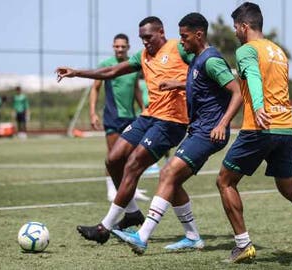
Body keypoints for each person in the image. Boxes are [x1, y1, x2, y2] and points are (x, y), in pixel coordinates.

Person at [214, 2, 292, 263]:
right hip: (284, 127)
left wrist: (258, 107)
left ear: (245, 26)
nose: (235, 32)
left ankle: (243, 245)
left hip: (259, 126)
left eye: (236, 27)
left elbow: (254, 78)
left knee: (225, 181)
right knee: (289, 186)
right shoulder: (279, 52)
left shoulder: (247, 49)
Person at [113, 12, 242, 254]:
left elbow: (237, 92)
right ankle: (193, 237)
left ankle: (142, 236)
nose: (180, 41)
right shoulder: (196, 59)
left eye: (184, 36)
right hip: (198, 130)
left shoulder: (211, 60)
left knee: (168, 174)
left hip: (209, 132)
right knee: (172, 181)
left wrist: (222, 123)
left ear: (198, 34)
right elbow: (201, 83)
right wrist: (177, 84)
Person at [56, 16, 193, 245]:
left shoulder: (180, 48)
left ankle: (104, 227)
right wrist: (77, 72)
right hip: (148, 116)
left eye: (148, 37)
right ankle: (131, 213)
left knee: (133, 165)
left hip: (171, 121)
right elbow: (111, 71)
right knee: (113, 160)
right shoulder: (143, 56)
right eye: (142, 39)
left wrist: (181, 85)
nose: (145, 42)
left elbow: (202, 71)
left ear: (161, 31)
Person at [88, 33, 149, 202]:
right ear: (113, 47)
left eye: (123, 46)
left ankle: (131, 189)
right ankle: (111, 189)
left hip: (131, 117)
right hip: (112, 117)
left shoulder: (133, 65)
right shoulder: (106, 65)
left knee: (133, 157)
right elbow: (95, 88)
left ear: (128, 47)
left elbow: (136, 89)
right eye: (117, 46)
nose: (120, 49)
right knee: (113, 156)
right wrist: (92, 113)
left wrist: (143, 109)